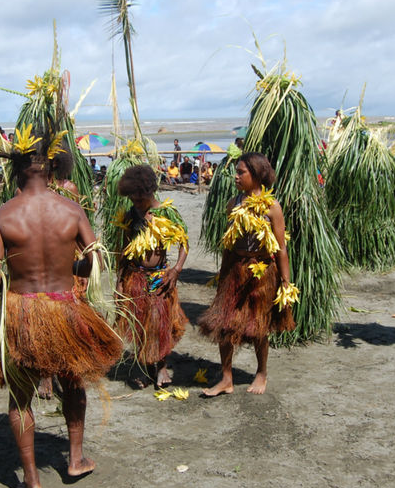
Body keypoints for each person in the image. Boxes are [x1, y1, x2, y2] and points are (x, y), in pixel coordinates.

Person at [0, 131, 121, 488]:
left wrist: (14, 276)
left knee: (21, 397)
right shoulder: (71, 210)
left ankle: (31, 480)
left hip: (22, 310)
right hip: (66, 307)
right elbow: (95, 261)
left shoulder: (4, 214)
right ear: (51, 168)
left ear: (17, 171)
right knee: (73, 383)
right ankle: (74, 459)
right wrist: (72, 269)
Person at [198, 152, 296, 396]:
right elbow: (229, 244)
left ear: (257, 174)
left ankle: (261, 373)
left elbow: (281, 248)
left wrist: (285, 282)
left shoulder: (272, 207)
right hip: (235, 271)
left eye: (241, 172)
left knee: (258, 327)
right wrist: (223, 276)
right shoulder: (234, 203)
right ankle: (226, 378)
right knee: (224, 324)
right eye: (237, 172)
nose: (236, 176)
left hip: (262, 274)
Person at [113, 165, 188, 388]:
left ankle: (161, 367)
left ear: (149, 191)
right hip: (135, 276)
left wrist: (176, 269)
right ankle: (146, 368)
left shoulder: (166, 213)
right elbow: (123, 251)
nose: (135, 201)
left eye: (138, 197)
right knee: (140, 323)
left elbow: (184, 243)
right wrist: (119, 281)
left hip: (159, 277)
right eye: (131, 197)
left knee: (159, 322)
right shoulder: (130, 215)